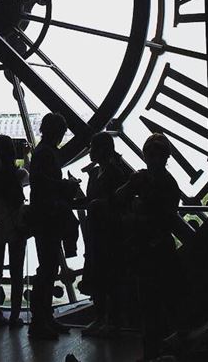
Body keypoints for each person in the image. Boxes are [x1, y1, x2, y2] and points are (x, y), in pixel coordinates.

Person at [116, 132, 181, 358]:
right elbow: (166, 218)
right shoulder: (169, 185)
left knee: (148, 308)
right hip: (159, 250)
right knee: (166, 306)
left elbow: (118, 198)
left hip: (144, 252)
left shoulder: (141, 180)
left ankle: (151, 353)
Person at [28, 112, 79, 340]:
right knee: (48, 269)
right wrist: (64, 186)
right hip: (49, 217)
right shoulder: (47, 153)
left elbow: (38, 183)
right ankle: (43, 319)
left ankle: (41, 319)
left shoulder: (41, 153)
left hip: (43, 217)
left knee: (46, 269)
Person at [81, 132, 129, 337]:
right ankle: (112, 320)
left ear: (101, 149)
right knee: (110, 278)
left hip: (99, 233)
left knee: (100, 276)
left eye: (93, 147)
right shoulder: (116, 174)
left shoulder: (96, 174)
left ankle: (102, 317)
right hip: (110, 233)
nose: (90, 150)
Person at [0, 135, 29, 328]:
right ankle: (15, 315)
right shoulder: (18, 174)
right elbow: (26, 176)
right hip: (16, 226)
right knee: (17, 272)